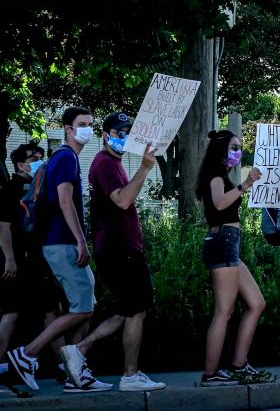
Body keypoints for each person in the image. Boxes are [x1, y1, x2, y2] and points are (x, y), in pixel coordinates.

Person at [4, 107, 115, 393]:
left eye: (91, 124)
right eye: (81, 124)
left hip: (59, 242)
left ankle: (74, 372)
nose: (87, 129)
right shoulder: (66, 158)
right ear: (68, 128)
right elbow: (65, 202)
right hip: (63, 242)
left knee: (85, 307)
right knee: (83, 309)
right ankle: (27, 353)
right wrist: (80, 240)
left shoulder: (65, 158)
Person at [63, 112, 166, 391]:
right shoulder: (105, 163)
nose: (126, 137)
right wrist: (145, 169)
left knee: (130, 308)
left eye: (129, 133)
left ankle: (78, 351)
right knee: (136, 310)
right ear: (107, 136)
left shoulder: (114, 163)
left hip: (121, 247)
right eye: (120, 132)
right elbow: (122, 200)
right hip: (119, 248)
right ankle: (129, 375)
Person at [196, 130, 273, 386]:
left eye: (239, 147)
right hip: (223, 242)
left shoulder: (221, 175)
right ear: (221, 148)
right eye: (234, 147)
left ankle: (239, 364)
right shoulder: (216, 175)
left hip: (229, 243)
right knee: (224, 311)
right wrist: (245, 185)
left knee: (256, 303)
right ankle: (211, 373)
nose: (238, 152)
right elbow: (218, 204)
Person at [0, 141, 66, 392]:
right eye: (34, 158)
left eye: (41, 157)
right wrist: (10, 259)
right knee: (11, 313)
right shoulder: (8, 192)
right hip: (16, 261)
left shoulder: (42, 188)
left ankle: (65, 366)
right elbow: (3, 228)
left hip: (40, 260)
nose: (39, 162)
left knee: (51, 311)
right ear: (21, 164)